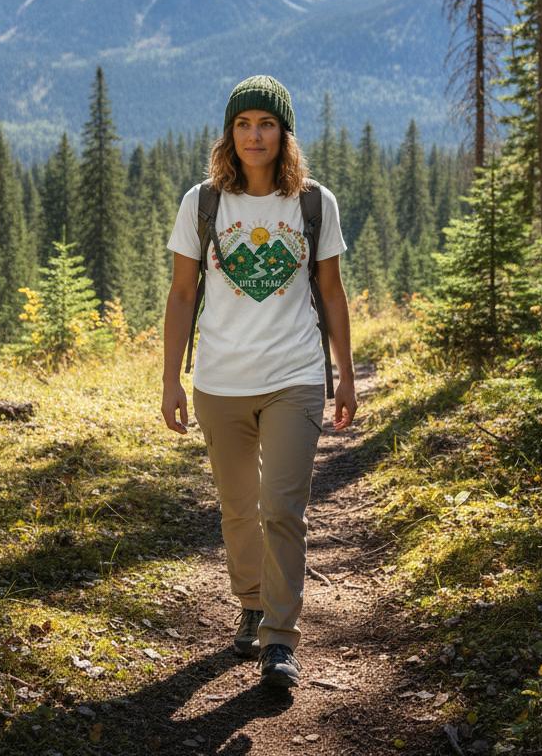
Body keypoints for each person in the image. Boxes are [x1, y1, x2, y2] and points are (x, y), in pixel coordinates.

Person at [161, 75, 358, 689]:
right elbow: (182, 292)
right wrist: (171, 380)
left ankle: (279, 637)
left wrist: (345, 375)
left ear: (284, 134)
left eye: (267, 124)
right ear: (229, 134)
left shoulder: (312, 203)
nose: (255, 135)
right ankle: (250, 602)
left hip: (294, 377)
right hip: (219, 380)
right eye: (244, 124)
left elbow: (331, 291)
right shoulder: (203, 203)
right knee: (239, 508)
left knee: (282, 507)